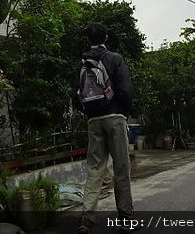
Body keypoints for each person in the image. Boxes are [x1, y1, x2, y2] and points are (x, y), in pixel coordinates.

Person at [72, 23, 135, 234]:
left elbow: (75, 97)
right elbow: (125, 89)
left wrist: (90, 113)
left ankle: (87, 218)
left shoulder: (81, 63)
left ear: (88, 39)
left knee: (95, 169)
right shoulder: (114, 58)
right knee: (121, 169)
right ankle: (126, 219)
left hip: (93, 120)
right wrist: (123, 112)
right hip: (115, 116)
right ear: (106, 37)